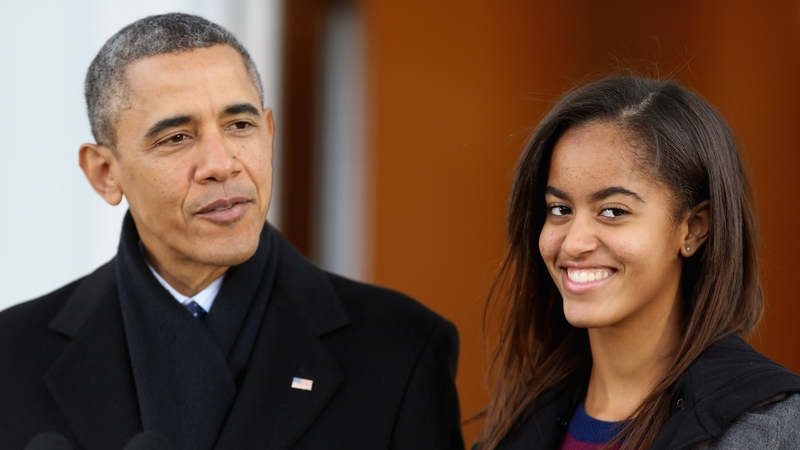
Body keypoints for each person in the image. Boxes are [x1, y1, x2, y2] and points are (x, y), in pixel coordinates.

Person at [0, 13, 464, 450]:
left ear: (269, 133)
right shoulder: (13, 356)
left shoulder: (400, 350)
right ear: (104, 173)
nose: (222, 164)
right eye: (176, 137)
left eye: (239, 125)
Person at [476, 75, 800, 450]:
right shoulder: (519, 424)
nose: (574, 242)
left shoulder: (770, 429)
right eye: (560, 209)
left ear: (692, 229)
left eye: (613, 211)